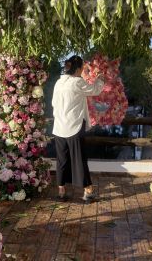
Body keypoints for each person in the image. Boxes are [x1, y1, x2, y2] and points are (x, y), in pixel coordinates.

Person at [52, 55, 104, 202]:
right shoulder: (77, 82)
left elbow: (54, 104)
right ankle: (88, 192)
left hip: (59, 126)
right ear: (79, 69)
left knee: (62, 160)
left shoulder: (58, 83)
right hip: (74, 125)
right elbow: (95, 90)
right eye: (82, 68)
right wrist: (100, 79)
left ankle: (61, 192)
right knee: (79, 159)